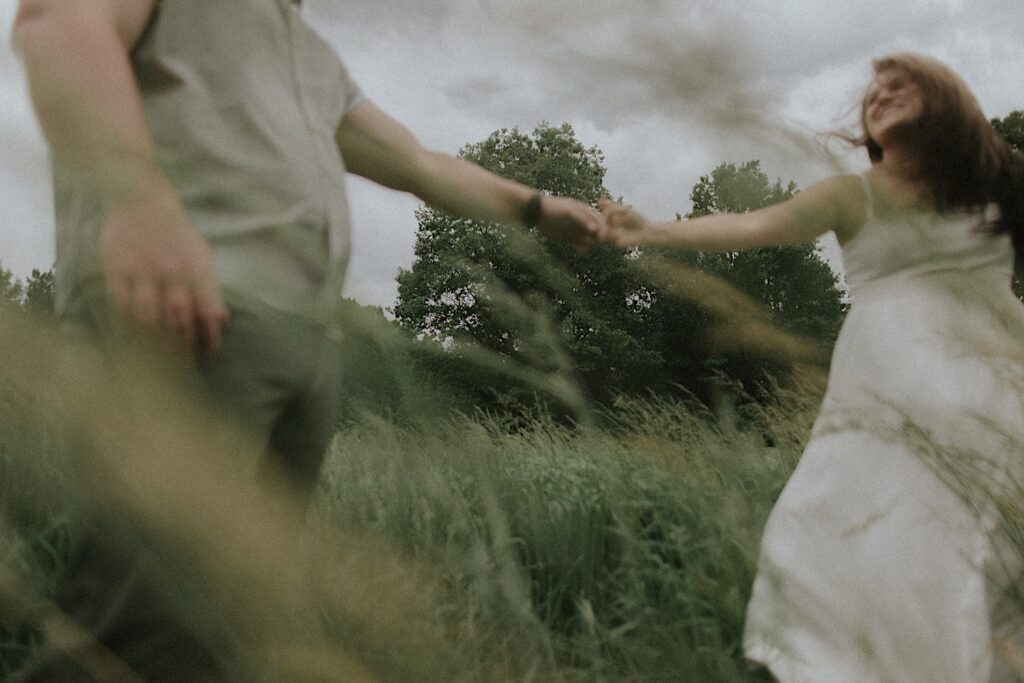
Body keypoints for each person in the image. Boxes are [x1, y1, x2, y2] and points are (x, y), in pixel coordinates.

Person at [12, 0, 602, 678]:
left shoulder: (310, 55)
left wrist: (536, 207)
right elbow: (55, 23)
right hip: (183, 318)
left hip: (297, 347)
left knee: (227, 626)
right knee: (139, 628)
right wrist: (138, 201)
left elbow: (417, 162)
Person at [599, 53, 1024, 682]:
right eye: (873, 91)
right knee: (845, 530)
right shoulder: (852, 195)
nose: (880, 94)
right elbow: (753, 226)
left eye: (900, 83)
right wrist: (650, 231)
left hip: (994, 388)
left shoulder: (1002, 181)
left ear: (946, 97)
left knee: (983, 549)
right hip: (889, 394)